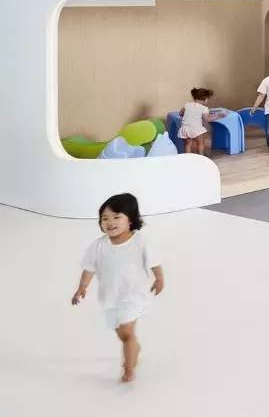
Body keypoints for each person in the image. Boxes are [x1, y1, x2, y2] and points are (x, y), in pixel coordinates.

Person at [71, 193, 164, 383]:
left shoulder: (140, 242)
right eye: (104, 218)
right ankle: (133, 347)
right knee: (122, 334)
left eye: (116, 217)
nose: (110, 222)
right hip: (110, 298)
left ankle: (128, 368)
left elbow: (154, 262)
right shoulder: (98, 245)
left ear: (130, 219)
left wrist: (159, 278)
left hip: (133, 297)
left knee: (127, 332)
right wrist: (82, 287)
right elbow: (89, 268)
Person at [178, 87, 224, 156]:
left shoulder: (187, 105)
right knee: (200, 143)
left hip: (185, 129)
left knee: (188, 144)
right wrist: (218, 116)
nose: (208, 101)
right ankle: (201, 157)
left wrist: (185, 114)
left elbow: (180, 113)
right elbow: (208, 119)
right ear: (205, 99)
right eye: (208, 99)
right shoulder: (204, 108)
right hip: (196, 129)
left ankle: (187, 158)